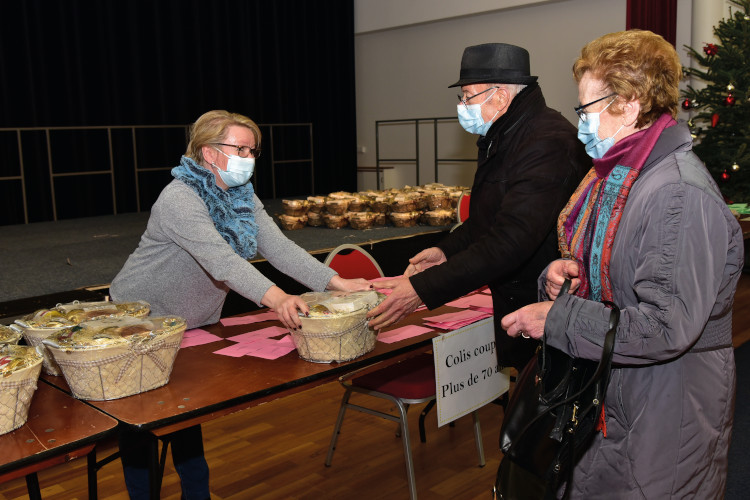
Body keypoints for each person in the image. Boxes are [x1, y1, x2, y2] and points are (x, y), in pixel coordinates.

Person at [501, 30, 743, 498]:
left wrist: (557, 318)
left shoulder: (676, 194)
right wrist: (562, 279)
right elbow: (617, 275)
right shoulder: (622, 174)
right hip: (622, 390)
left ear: (629, 104)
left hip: (667, 400)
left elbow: (665, 327)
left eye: (587, 108)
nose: (581, 123)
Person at [109, 109, 370, 500]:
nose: (248, 157)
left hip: (192, 322)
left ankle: (196, 495)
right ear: (209, 152)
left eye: (253, 150)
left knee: (186, 412)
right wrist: (278, 298)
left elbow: (279, 247)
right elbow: (222, 261)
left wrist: (336, 282)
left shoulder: (241, 196)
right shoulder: (179, 197)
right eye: (240, 148)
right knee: (140, 428)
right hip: (140, 321)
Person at [367, 43, 590, 371]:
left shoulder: (546, 143)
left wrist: (420, 290)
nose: (462, 105)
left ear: (499, 96)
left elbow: (509, 241)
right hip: (518, 298)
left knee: (540, 409)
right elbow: (489, 218)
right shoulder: (507, 132)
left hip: (545, 304)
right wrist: (446, 252)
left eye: (468, 96)